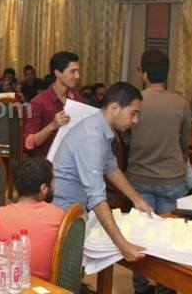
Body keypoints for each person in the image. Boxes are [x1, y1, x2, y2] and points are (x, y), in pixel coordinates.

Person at [54, 82, 152, 261]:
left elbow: (111, 168)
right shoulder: (92, 137)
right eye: (133, 113)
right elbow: (97, 198)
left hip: (75, 206)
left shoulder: (100, 127)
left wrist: (137, 199)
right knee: (67, 265)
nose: (135, 121)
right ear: (114, 108)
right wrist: (123, 246)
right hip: (63, 211)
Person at [125, 50, 190, 294]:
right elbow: (184, 143)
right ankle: (165, 288)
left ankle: (140, 287)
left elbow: (125, 137)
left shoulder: (134, 102)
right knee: (170, 238)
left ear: (144, 73)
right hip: (171, 177)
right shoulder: (181, 103)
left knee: (140, 236)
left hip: (139, 176)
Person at [23, 51, 81, 158]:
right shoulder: (38, 102)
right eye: (73, 72)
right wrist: (52, 126)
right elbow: (28, 143)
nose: (78, 76)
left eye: (78, 71)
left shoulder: (77, 99)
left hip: (74, 159)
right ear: (58, 73)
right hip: (48, 162)